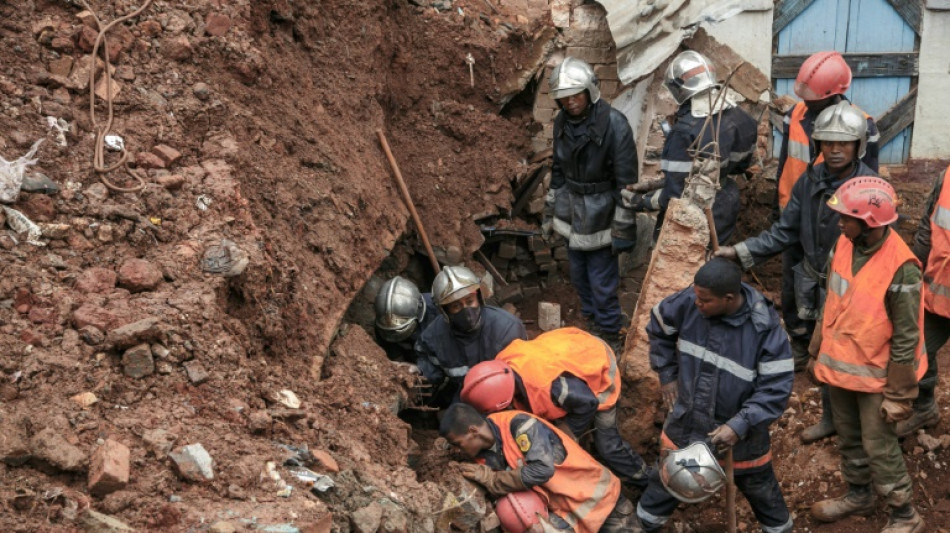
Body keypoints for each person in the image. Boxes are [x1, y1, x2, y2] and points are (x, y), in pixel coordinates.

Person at [715, 101, 876, 443]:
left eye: (843, 143)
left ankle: (860, 431)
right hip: (816, 279)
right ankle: (834, 417)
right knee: (823, 352)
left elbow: (877, 249)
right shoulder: (811, 178)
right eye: (828, 143)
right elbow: (785, 231)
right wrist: (740, 251)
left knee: (851, 355)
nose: (834, 150)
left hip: (855, 290)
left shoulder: (870, 189)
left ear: (857, 146)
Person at [636, 258, 794, 533]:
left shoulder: (765, 331)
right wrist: (667, 374)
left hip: (740, 439)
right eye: (696, 296)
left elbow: (775, 390)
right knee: (662, 488)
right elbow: (660, 326)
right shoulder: (692, 300)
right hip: (686, 425)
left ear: (729, 298)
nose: (697, 304)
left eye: (705, 301)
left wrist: (739, 425)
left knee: (763, 494)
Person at [807, 177, 926, 533]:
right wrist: (816, 352)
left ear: (870, 222)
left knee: (880, 446)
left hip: (878, 376)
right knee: (848, 436)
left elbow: (907, 334)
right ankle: (859, 494)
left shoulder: (902, 265)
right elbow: (830, 302)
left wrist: (900, 394)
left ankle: (905, 514)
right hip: (843, 367)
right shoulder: (843, 244)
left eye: (846, 217)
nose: (839, 222)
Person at [772, 50, 880, 415]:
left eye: (816, 101)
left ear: (836, 95)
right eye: (807, 99)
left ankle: (828, 354)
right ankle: (800, 345)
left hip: (834, 223)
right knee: (792, 284)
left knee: (830, 294)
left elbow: (864, 184)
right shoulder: (796, 114)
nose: (809, 107)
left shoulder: (860, 124)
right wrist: (781, 204)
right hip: (796, 210)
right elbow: (785, 162)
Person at [460, 327, 650, 490]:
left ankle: (643, 477)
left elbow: (588, 402)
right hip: (567, 346)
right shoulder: (500, 368)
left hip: (597, 366)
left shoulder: (550, 387)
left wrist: (568, 434)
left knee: (607, 445)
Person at [542, 56, 638, 352]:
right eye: (564, 98)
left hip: (602, 210)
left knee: (601, 277)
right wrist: (551, 208)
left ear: (590, 91)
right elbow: (558, 168)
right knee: (578, 273)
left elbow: (627, 180)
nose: (571, 102)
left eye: (576, 95)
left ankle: (610, 331)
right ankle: (593, 321)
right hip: (573, 208)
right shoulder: (562, 122)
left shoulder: (614, 124)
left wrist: (623, 223)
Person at [622, 50, 757, 245]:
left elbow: (677, 197)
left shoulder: (684, 132)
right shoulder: (742, 119)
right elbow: (728, 168)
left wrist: (640, 202)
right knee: (712, 265)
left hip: (693, 215)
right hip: (726, 202)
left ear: (678, 88)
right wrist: (655, 184)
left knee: (681, 270)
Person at [440, 402, 637, 532]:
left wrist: (493, 480)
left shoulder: (519, 425)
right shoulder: (481, 459)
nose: (458, 450)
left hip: (600, 500)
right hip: (568, 514)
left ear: (473, 431)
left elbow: (542, 470)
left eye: (458, 443)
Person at [415, 265, 526, 407]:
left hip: (506, 398)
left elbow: (523, 380)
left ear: (479, 297)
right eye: (456, 306)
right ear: (444, 311)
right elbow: (431, 369)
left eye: (469, 301)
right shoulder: (434, 337)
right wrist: (418, 373)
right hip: (467, 398)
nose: (466, 311)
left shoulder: (507, 329)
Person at [900, 165, 950, 435]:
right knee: (921, 349)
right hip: (939, 292)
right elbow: (926, 228)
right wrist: (914, 267)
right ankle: (925, 407)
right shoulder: (947, 177)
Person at [374, 276, 437, 361]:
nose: (394, 332)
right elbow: (395, 355)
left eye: (400, 322)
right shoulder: (383, 326)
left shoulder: (438, 311)